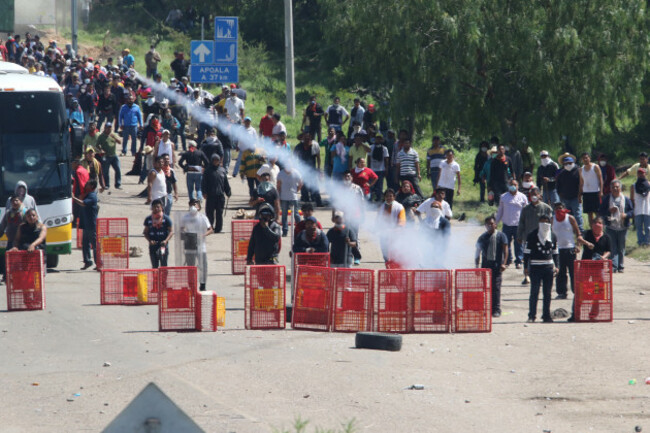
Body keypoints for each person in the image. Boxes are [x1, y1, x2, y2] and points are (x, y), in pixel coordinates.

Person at [523, 215, 559, 323]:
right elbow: (526, 253)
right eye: (542, 221)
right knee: (534, 292)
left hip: (548, 267)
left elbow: (555, 252)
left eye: (546, 222)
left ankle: (546, 315)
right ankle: (532, 315)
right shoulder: (532, 235)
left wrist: (557, 266)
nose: (544, 224)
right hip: (535, 267)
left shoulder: (552, 235)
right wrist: (526, 267)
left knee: (547, 293)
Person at [517, 187, 553, 284]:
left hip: (542, 238)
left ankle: (541, 277)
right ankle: (527, 276)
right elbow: (521, 223)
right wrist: (519, 235)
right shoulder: (525, 209)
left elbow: (551, 223)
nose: (533, 197)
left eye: (535, 194)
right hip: (528, 238)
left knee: (540, 258)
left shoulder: (546, 208)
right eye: (531, 195)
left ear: (539, 196)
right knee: (527, 257)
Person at [475, 216, 509, 317]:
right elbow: (477, 252)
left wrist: (504, 263)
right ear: (485, 226)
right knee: (485, 288)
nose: (490, 226)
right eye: (487, 224)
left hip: (497, 266)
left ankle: (496, 309)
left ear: (495, 224)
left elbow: (505, 250)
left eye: (492, 224)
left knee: (496, 288)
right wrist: (477, 266)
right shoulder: (482, 237)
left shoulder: (501, 236)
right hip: (485, 266)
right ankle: (487, 308)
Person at [598, 180, 633, 273]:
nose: (615, 189)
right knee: (612, 247)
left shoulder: (626, 199)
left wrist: (626, 215)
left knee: (621, 247)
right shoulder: (606, 199)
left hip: (623, 227)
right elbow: (600, 212)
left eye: (617, 187)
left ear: (620, 188)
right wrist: (609, 211)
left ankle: (621, 266)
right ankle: (613, 266)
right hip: (611, 227)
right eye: (613, 187)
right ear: (610, 189)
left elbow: (632, 211)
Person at [179, 199, 213, 291]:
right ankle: (191, 284)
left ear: (199, 206)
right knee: (191, 266)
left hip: (201, 245)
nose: (193, 206)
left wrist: (203, 235)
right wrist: (185, 234)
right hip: (189, 244)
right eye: (191, 205)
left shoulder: (203, 217)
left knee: (203, 265)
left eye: (195, 204)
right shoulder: (185, 217)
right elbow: (181, 229)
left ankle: (202, 284)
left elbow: (210, 229)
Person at [552, 201, 583, 300]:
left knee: (573, 272)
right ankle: (562, 292)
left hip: (570, 248)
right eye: (556, 208)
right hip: (558, 249)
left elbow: (578, 234)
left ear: (564, 208)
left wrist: (578, 246)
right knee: (560, 272)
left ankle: (576, 292)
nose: (559, 210)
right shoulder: (552, 220)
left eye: (560, 208)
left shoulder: (570, 218)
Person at [496, 179, 528, 269]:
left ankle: (519, 261)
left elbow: (526, 212)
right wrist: (496, 222)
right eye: (511, 184)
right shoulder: (503, 197)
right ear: (508, 185)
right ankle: (508, 260)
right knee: (506, 243)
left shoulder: (523, 197)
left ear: (518, 186)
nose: (513, 186)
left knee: (519, 244)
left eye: (515, 184)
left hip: (518, 225)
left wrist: (526, 224)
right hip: (506, 224)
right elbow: (500, 211)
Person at [73, 179, 99, 270]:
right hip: (86, 224)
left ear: (92, 186)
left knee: (94, 245)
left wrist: (73, 198)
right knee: (85, 244)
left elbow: (83, 203)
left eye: (87, 184)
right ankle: (87, 261)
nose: (85, 185)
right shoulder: (88, 195)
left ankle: (99, 263)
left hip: (91, 225)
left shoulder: (92, 196)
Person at [201, 154, 231, 233]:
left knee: (219, 213)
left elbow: (225, 183)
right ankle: (210, 227)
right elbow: (204, 183)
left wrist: (228, 191)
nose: (215, 162)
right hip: (210, 195)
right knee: (210, 213)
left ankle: (218, 228)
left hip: (220, 196)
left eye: (217, 160)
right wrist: (204, 192)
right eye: (214, 160)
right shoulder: (207, 171)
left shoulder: (222, 170)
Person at [293, 132, 323, 206]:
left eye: (308, 138)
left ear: (310, 138)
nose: (307, 139)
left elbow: (318, 157)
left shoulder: (314, 145)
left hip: (312, 169)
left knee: (315, 186)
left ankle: (318, 201)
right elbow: (294, 157)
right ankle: (306, 201)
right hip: (302, 170)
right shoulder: (298, 147)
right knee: (304, 186)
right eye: (305, 138)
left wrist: (318, 168)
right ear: (302, 138)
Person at [377, 189, 406, 263]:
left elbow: (402, 222)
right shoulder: (381, 207)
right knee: (385, 255)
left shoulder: (399, 207)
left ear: (394, 197)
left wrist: (395, 230)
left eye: (390, 196)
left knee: (395, 254)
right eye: (387, 196)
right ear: (384, 197)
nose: (388, 198)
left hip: (396, 234)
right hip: (384, 234)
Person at [556, 153, 583, 232]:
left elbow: (581, 184)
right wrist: (561, 196)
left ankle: (580, 232)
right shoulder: (561, 173)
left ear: (573, 163)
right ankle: (570, 231)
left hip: (576, 197)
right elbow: (558, 185)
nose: (568, 165)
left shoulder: (579, 171)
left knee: (577, 215)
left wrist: (580, 195)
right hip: (565, 198)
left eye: (570, 163)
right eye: (566, 164)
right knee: (567, 216)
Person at [143, 199, 173, 268]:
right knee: (154, 265)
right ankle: (156, 279)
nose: (156, 209)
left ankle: (163, 279)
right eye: (154, 207)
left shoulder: (166, 219)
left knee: (163, 264)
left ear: (161, 207)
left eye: (158, 207)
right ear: (152, 208)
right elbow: (145, 232)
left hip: (162, 246)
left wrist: (166, 241)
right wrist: (150, 241)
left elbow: (171, 232)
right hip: (153, 246)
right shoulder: (148, 219)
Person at [276, 163, 303, 237]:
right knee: (284, 214)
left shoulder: (296, 173)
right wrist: (279, 196)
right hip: (283, 197)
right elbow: (278, 185)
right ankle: (285, 231)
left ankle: (300, 229)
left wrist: (296, 191)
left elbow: (300, 183)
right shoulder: (281, 174)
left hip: (293, 198)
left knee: (296, 214)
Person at [579, 152, 603, 226]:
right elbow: (581, 183)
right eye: (583, 158)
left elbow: (600, 180)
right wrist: (579, 195)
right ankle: (592, 229)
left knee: (597, 212)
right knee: (589, 213)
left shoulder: (595, 167)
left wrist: (601, 191)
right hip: (586, 193)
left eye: (586, 157)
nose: (585, 159)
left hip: (595, 192)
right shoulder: (581, 169)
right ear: (582, 160)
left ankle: (599, 227)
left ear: (589, 158)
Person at [96, 122, 122, 190]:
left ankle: (118, 184)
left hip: (114, 155)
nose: (109, 129)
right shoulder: (101, 136)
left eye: (110, 127)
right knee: (106, 171)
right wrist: (101, 150)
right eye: (108, 127)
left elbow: (120, 142)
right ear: (105, 128)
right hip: (106, 156)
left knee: (118, 169)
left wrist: (115, 138)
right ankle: (107, 185)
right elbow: (97, 145)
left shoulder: (113, 134)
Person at [629, 167, 650, 247]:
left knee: (648, 227)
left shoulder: (649, 184)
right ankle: (641, 243)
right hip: (637, 209)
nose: (641, 175)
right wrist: (632, 210)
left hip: (648, 209)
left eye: (642, 173)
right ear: (637, 174)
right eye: (639, 173)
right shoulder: (633, 186)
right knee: (639, 228)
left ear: (645, 174)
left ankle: (648, 242)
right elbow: (631, 199)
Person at [369, 134, 389, 201]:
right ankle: (370, 200)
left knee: (379, 186)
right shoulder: (371, 147)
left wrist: (386, 169)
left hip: (381, 170)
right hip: (372, 170)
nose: (378, 140)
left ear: (382, 140)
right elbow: (368, 158)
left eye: (380, 138)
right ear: (375, 139)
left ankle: (378, 200)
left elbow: (386, 159)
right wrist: (368, 169)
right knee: (371, 186)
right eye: (377, 138)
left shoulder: (384, 148)